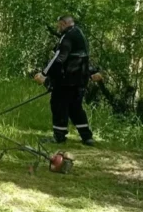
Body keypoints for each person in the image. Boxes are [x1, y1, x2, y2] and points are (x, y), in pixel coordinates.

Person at [34, 15, 103, 146]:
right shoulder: (80, 34)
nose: (58, 28)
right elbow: (82, 57)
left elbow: (59, 58)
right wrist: (92, 72)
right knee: (75, 107)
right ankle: (87, 137)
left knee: (58, 104)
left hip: (66, 80)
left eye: (59, 25)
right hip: (80, 80)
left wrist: (44, 74)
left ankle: (59, 136)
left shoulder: (67, 36)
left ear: (64, 24)